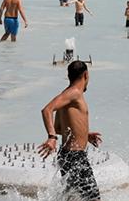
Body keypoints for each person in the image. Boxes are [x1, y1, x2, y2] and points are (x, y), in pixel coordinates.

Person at [38, 61, 102, 201]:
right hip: (75, 157)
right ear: (86, 75)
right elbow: (47, 110)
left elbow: (60, 128)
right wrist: (52, 137)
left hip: (68, 156)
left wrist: (85, 135)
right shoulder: (74, 93)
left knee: (73, 197)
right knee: (93, 199)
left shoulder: (67, 95)